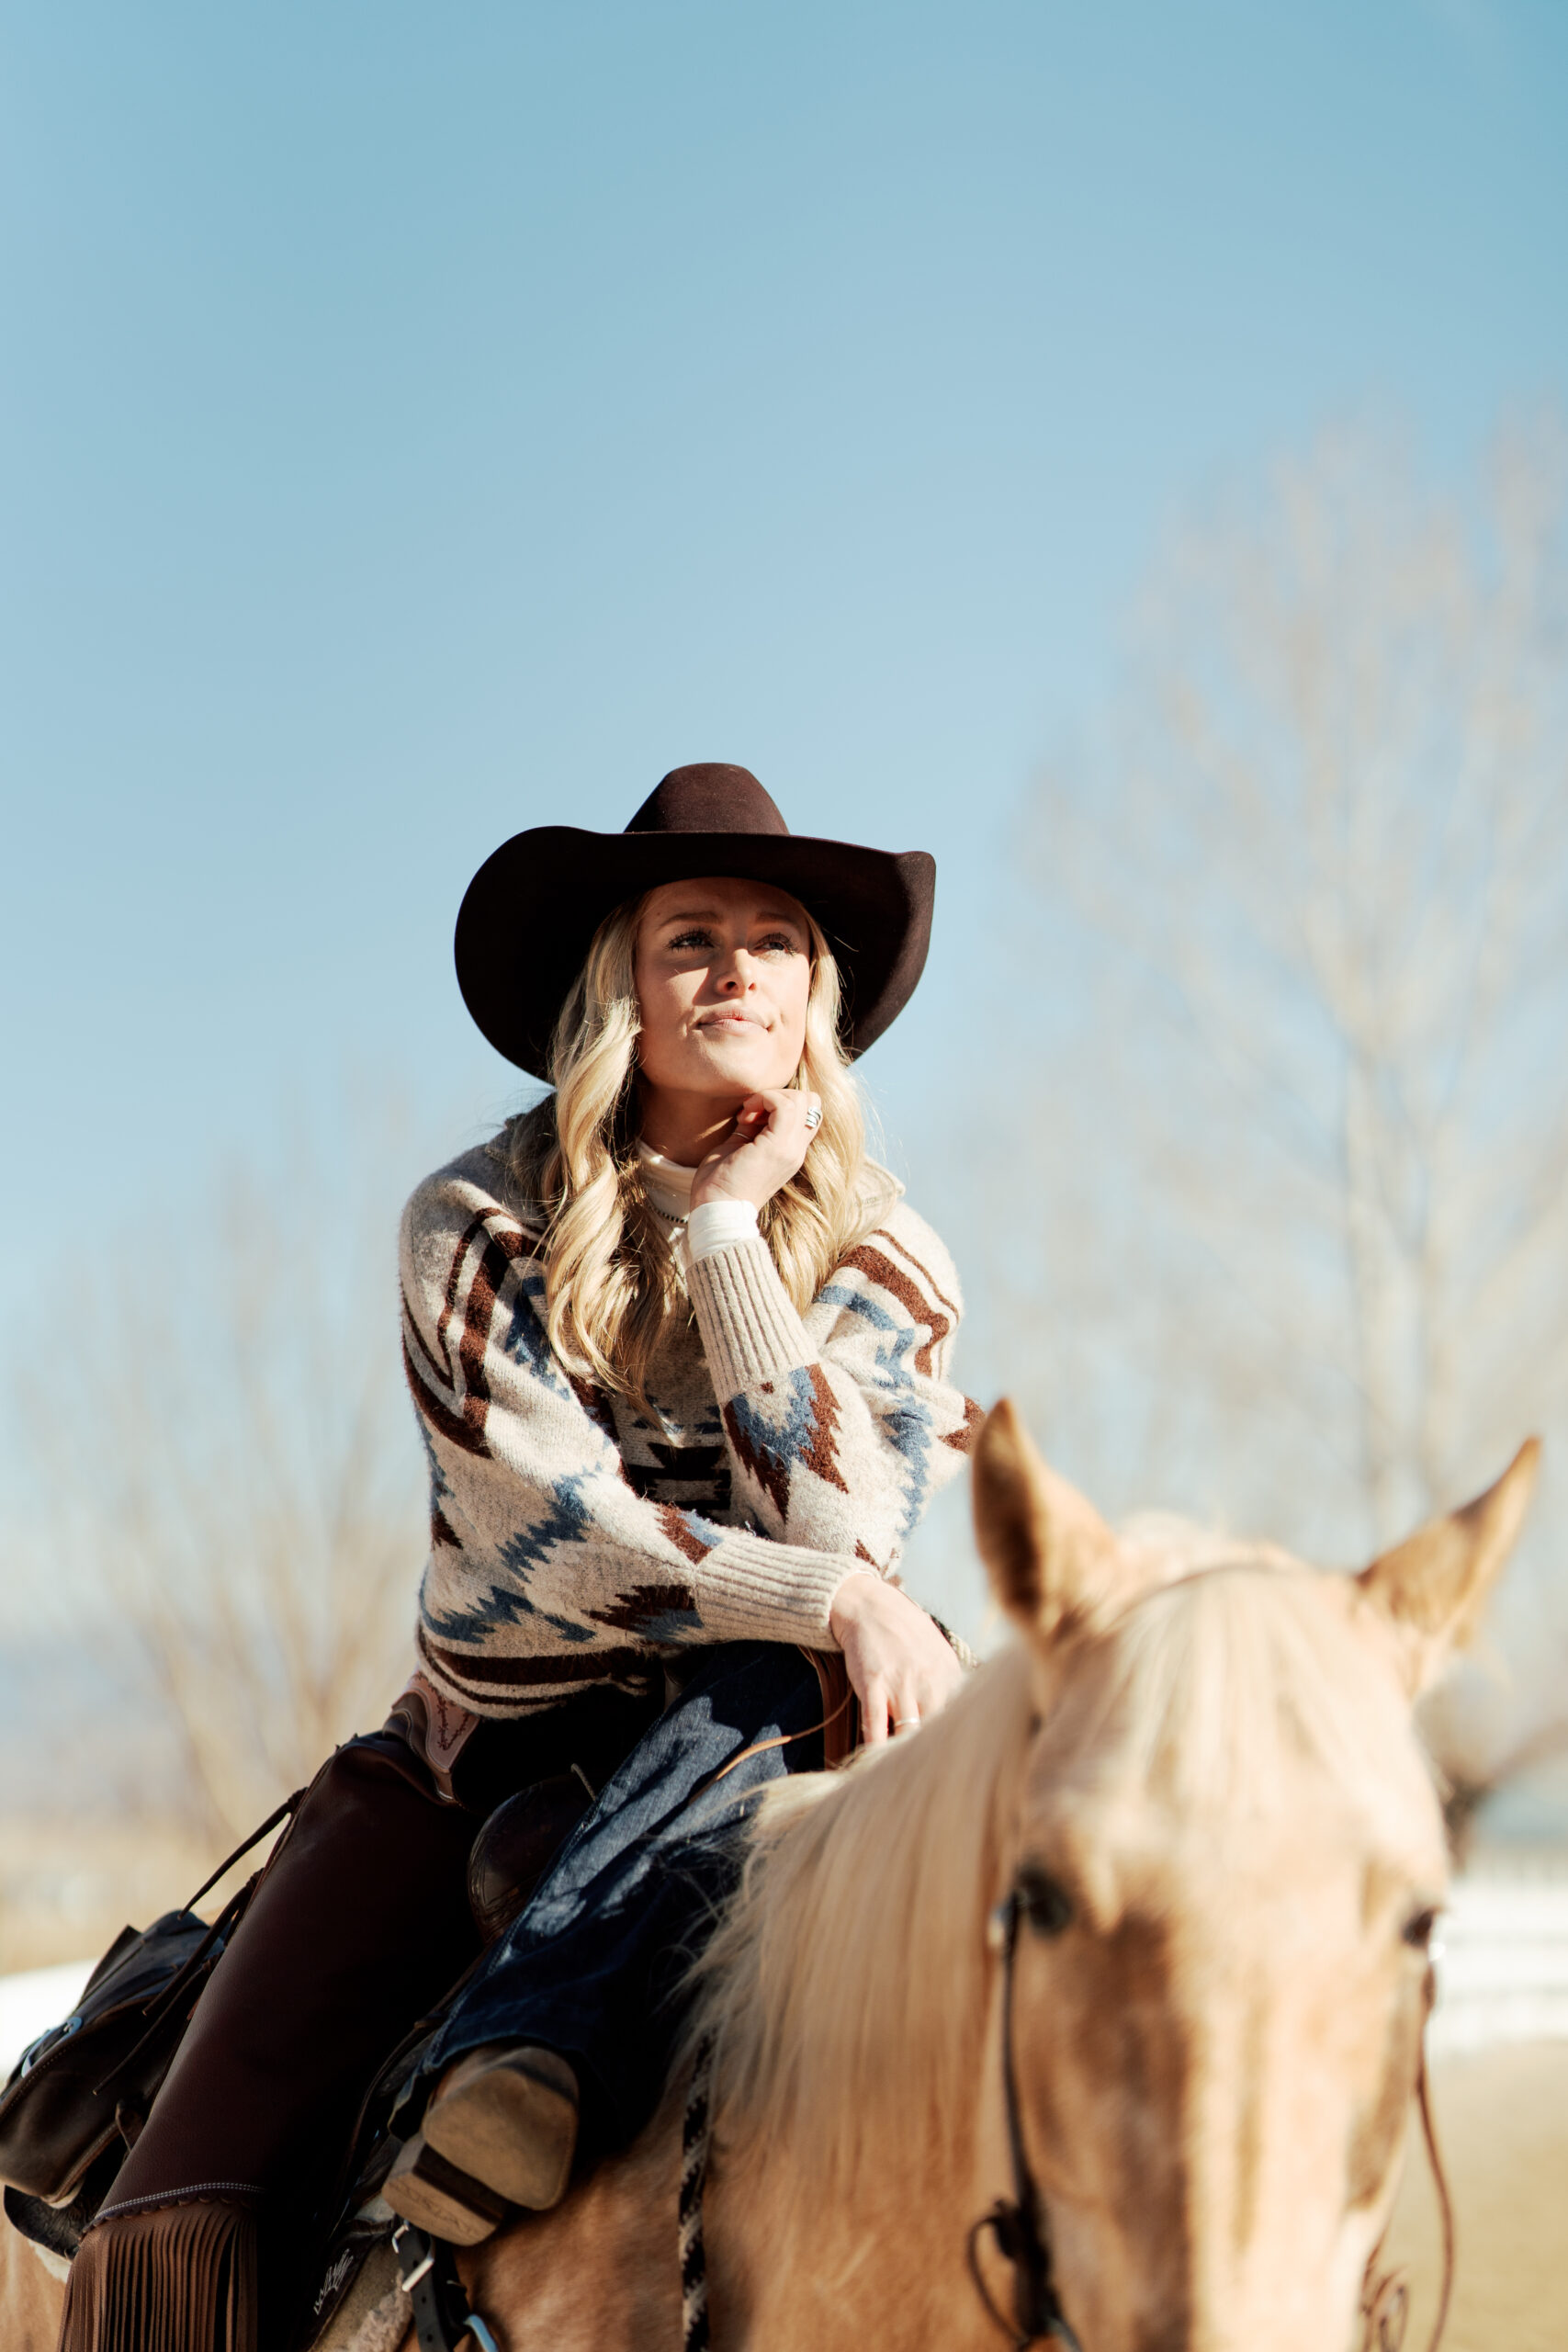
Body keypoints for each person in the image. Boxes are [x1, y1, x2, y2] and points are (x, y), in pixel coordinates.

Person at [59, 763, 976, 2352]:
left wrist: (730, 1244)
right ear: (620, 982)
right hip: (497, 1746)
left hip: (767, 1731)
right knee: (186, 2194)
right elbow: (556, 1542)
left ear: (817, 994)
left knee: (793, 1688)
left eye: (776, 941)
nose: (738, 969)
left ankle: (536, 2055)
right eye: (693, 936)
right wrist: (838, 1596)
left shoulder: (891, 1252)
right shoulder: (474, 1223)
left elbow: (844, 1529)